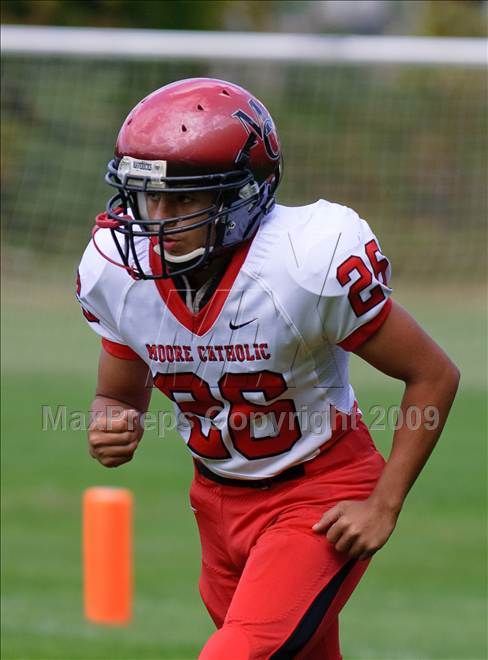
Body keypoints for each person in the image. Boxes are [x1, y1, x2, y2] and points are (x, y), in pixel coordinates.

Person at [77, 78, 460, 659]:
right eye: (148, 196)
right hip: (215, 499)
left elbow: (433, 375)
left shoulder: (303, 265)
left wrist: (384, 502)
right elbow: (119, 396)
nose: (158, 218)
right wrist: (112, 420)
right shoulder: (119, 273)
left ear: (241, 196)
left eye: (184, 198)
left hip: (318, 493)